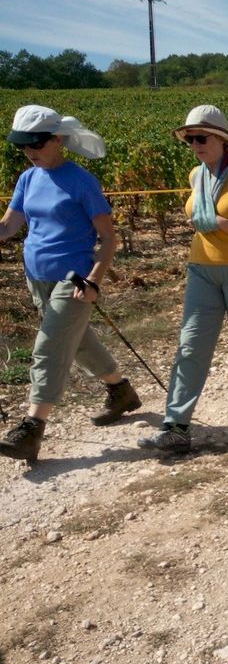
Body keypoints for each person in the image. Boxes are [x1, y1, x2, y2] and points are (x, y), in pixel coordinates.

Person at [138, 105, 228, 454]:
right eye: (190, 139)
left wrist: (220, 223)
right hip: (201, 269)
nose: (195, 144)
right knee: (191, 345)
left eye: (201, 137)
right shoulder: (196, 176)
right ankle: (176, 425)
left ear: (222, 140)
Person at [0, 105, 140, 463]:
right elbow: (9, 226)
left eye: (36, 145)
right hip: (37, 278)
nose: (30, 152)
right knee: (76, 342)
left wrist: (95, 280)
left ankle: (31, 428)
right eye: (23, 146)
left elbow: (108, 238)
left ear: (57, 139)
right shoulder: (27, 179)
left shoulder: (81, 181)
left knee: (49, 346)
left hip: (74, 279)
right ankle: (120, 390)